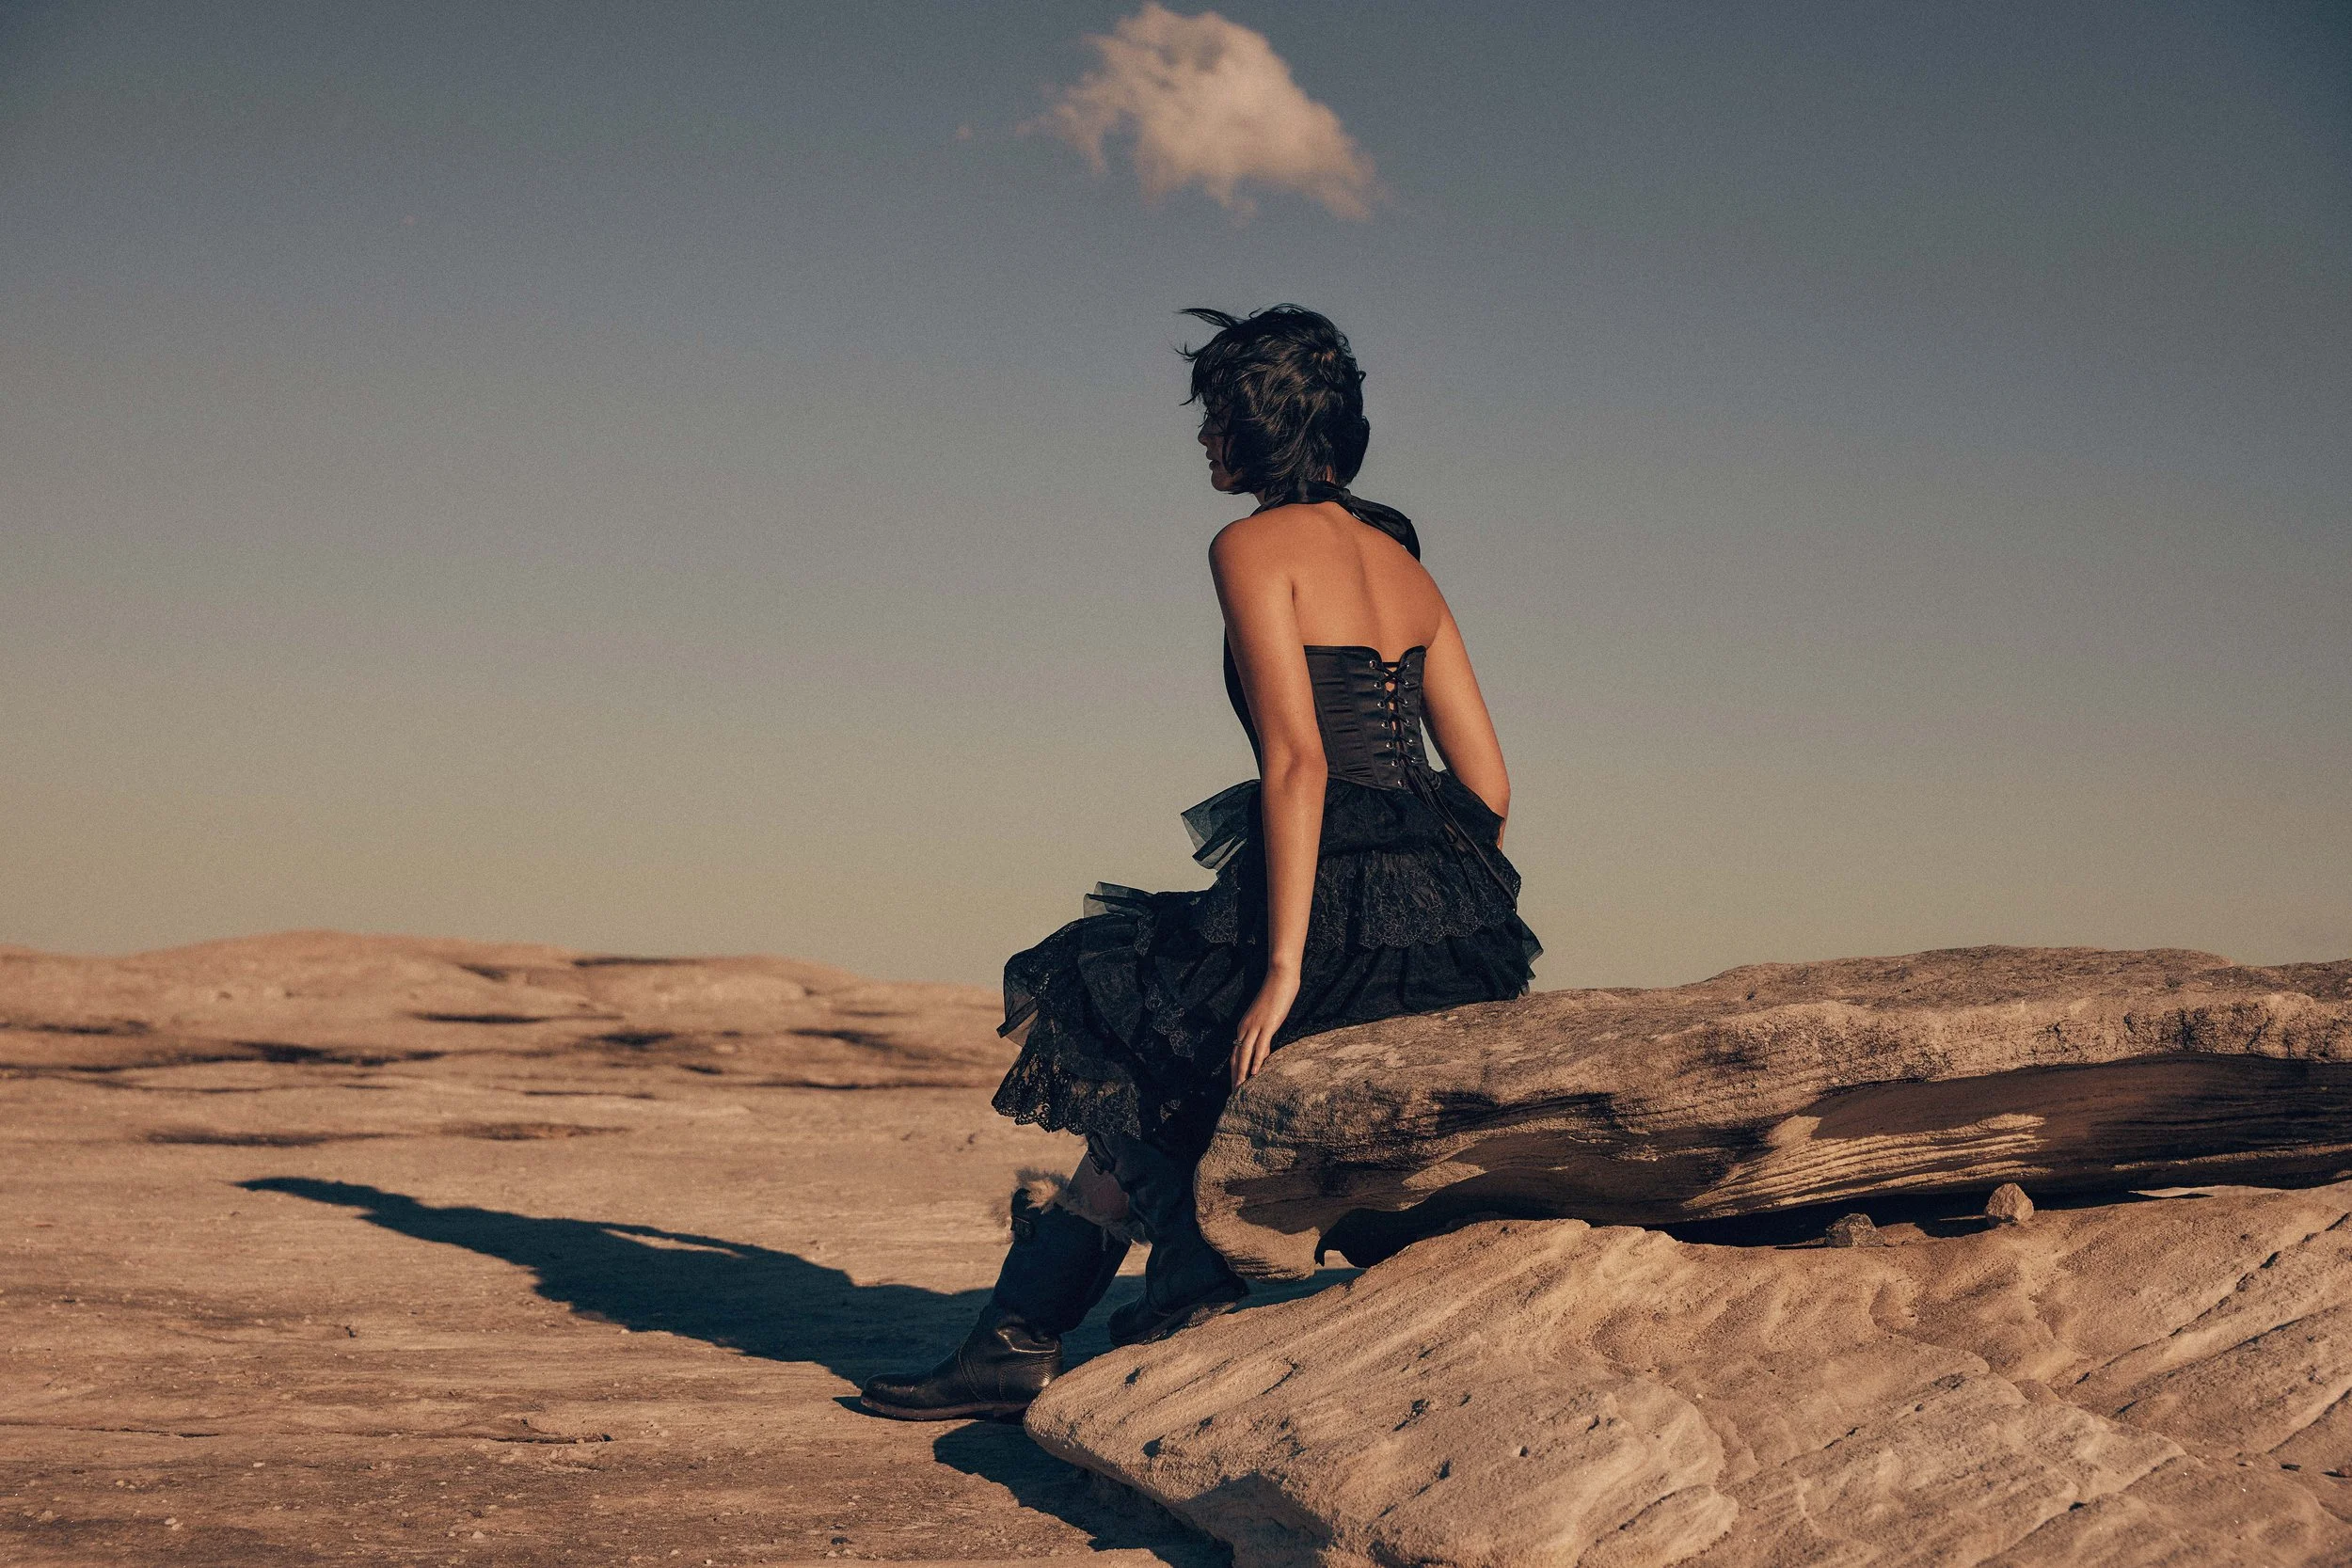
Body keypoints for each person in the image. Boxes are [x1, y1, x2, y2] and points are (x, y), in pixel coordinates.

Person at [859, 305, 1540, 1422]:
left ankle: (1091, 1333)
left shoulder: (1248, 546)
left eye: (1215, 415)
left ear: (1258, 426)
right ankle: (1020, 1340)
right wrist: (1432, 906)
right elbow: (1490, 786)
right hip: (1445, 900)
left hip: (1313, 885)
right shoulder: (1404, 565)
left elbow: (1297, 760)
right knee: (1161, 1090)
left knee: (1127, 1017)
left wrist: (1282, 965)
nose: (1201, 439)